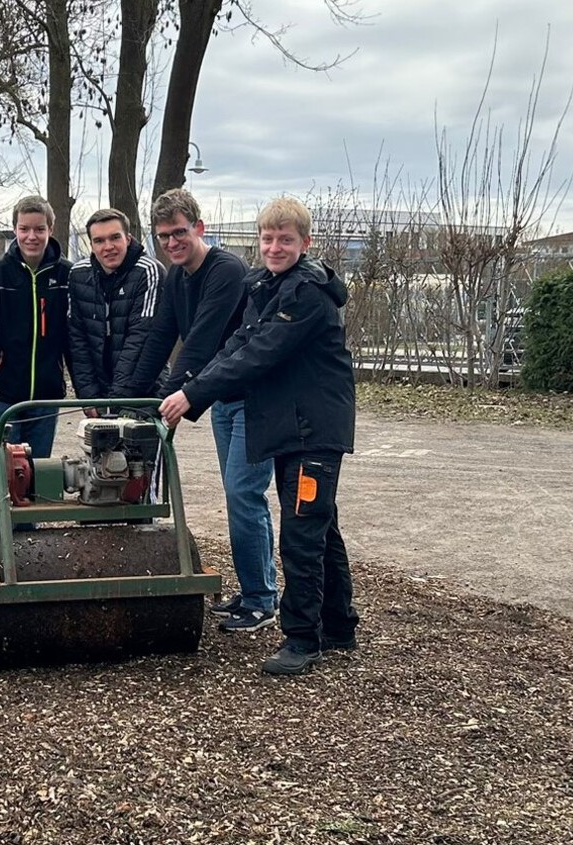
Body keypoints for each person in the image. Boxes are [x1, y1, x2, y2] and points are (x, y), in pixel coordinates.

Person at [159, 196, 359, 676]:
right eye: (268, 238)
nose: (274, 246)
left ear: (304, 243)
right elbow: (238, 344)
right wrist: (189, 387)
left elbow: (260, 354)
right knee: (321, 525)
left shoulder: (307, 295)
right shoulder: (266, 287)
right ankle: (339, 625)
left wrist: (191, 396)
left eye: (285, 240)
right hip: (292, 429)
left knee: (302, 532)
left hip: (315, 432)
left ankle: (301, 639)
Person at [123, 189, 276, 633]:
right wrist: (128, 397)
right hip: (224, 402)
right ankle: (254, 591)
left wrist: (175, 399)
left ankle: (262, 600)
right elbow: (159, 339)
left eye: (180, 233)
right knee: (238, 495)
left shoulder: (225, 270)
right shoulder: (175, 278)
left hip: (253, 398)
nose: (173, 243)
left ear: (199, 228)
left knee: (243, 495)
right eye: (164, 236)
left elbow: (202, 342)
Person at [0, 195, 72, 459]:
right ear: (15, 229)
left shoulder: (67, 274)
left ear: (50, 230)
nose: (31, 236)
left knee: (36, 477)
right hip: (0, 395)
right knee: (0, 475)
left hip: (46, 397)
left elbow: (74, 340)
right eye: (24, 229)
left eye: (39, 229)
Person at [68, 208, 164, 411]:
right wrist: (89, 396)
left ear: (128, 239)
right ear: (92, 244)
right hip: (99, 394)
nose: (108, 247)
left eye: (115, 238)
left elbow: (140, 337)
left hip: (142, 394)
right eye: (99, 241)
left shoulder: (148, 271)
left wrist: (116, 401)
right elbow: (77, 341)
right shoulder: (77, 275)